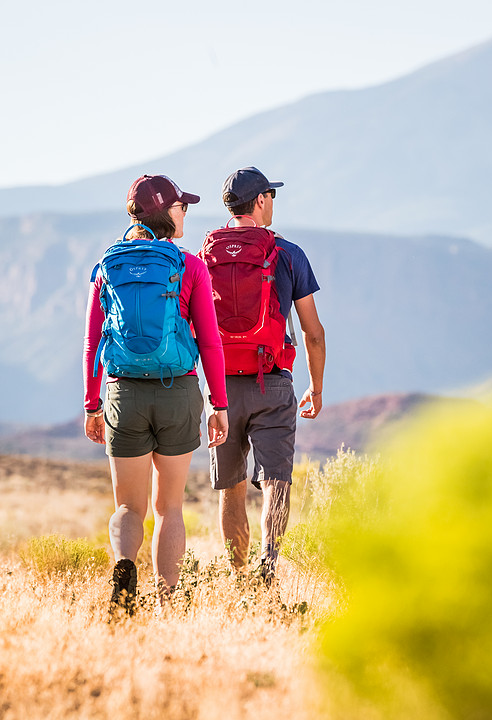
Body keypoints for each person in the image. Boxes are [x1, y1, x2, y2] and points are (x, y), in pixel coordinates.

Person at [83, 174, 229, 614]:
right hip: (177, 394)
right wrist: (218, 405)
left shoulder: (108, 265)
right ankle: (168, 600)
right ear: (165, 212)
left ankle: (125, 571)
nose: (185, 212)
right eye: (181, 206)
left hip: (122, 394)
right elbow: (209, 341)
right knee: (168, 508)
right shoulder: (190, 266)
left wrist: (92, 405)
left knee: (128, 506)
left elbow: (93, 343)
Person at [208, 167, 325, 581]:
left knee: (231, 485)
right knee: (277, 479)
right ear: (259, 201)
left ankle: (238, 578)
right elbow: (312, 332)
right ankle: (267, 569)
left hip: (222, 385)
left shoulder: (206, 255)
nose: (272, 202)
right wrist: (316, 386)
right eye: (270, 196)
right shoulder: (288, 253)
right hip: (272, 380)